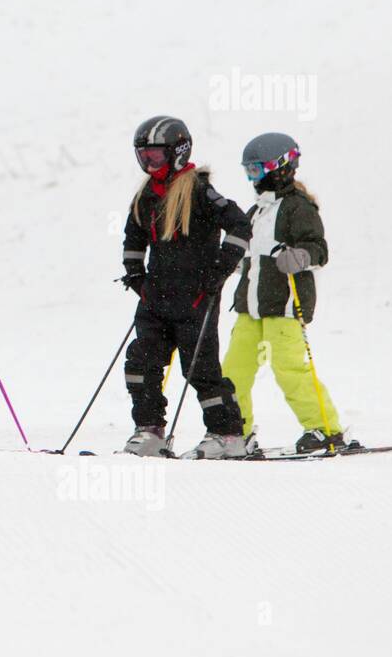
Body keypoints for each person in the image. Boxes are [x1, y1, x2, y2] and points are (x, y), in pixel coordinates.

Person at [119, 116, 252, 459]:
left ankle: (227, 434)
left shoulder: (198, 189)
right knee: (140, 363)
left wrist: (222, 267)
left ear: (178, 152)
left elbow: (238, 224)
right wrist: (134, 274)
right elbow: (133, 236)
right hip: (155, 299)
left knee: (201, 370)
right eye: (144, 157)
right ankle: (149, 431)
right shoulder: (147, 195)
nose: (150, 164)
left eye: (156, 156)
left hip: (196, 298)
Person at [221, 132, 343, 454]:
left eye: (257, 170)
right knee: (233, 372)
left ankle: (325, 430)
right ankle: (237, 433)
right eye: (248, 171)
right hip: (250, 307)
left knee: (288, 370)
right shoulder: (256, 211)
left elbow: (318, 248)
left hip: (284, 306)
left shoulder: (298, 208)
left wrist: (299, 256)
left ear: (281, 167)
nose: (253, 178)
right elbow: (248, 254)